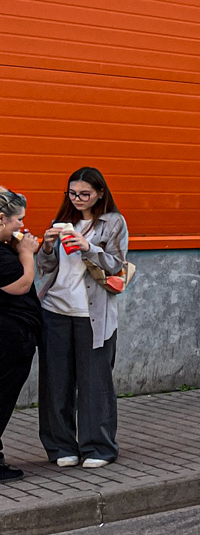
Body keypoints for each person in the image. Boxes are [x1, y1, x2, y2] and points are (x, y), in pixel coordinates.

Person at [34, 167, 129, 469]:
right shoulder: (62, 222)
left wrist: (89, 247)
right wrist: (47, 246)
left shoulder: (113, 222)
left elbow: (116, 265)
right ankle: (61, 446)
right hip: (55, 310)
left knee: (95, 384)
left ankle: (99, 447)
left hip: (93, 314)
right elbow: (45, 267)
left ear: (100, 192)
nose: (77, 199)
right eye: (72, 193)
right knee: (55, 383)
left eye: (84, 194)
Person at [0, 188, 42, 483]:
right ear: (2, 218)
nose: (22, 227)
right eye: (18, 220)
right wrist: (27, 256)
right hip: (9, 337)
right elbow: (19, 285)